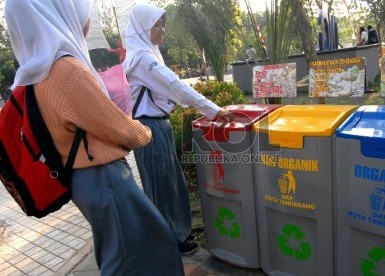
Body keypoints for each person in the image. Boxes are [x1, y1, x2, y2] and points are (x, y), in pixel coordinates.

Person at [5, 1, 184, 275]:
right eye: (81, 12)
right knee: (138, 253)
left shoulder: (35, 72)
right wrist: (147, 132)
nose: (87, 21)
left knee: (123, 250)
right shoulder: (66, 69)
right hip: (104, 177)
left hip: (83, 179)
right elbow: (120, 129)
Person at [123, 3, 233, 255]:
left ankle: (177, 233)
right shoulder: (142, 59)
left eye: (163, 25)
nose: (162, 30)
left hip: (157, 126)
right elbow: (175, 85)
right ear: (142, 28)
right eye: (156, 25)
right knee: (161, 184)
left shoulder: (146, 53)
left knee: (171, 182)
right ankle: (170, 241)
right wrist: (214, 110)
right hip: (148, 128)